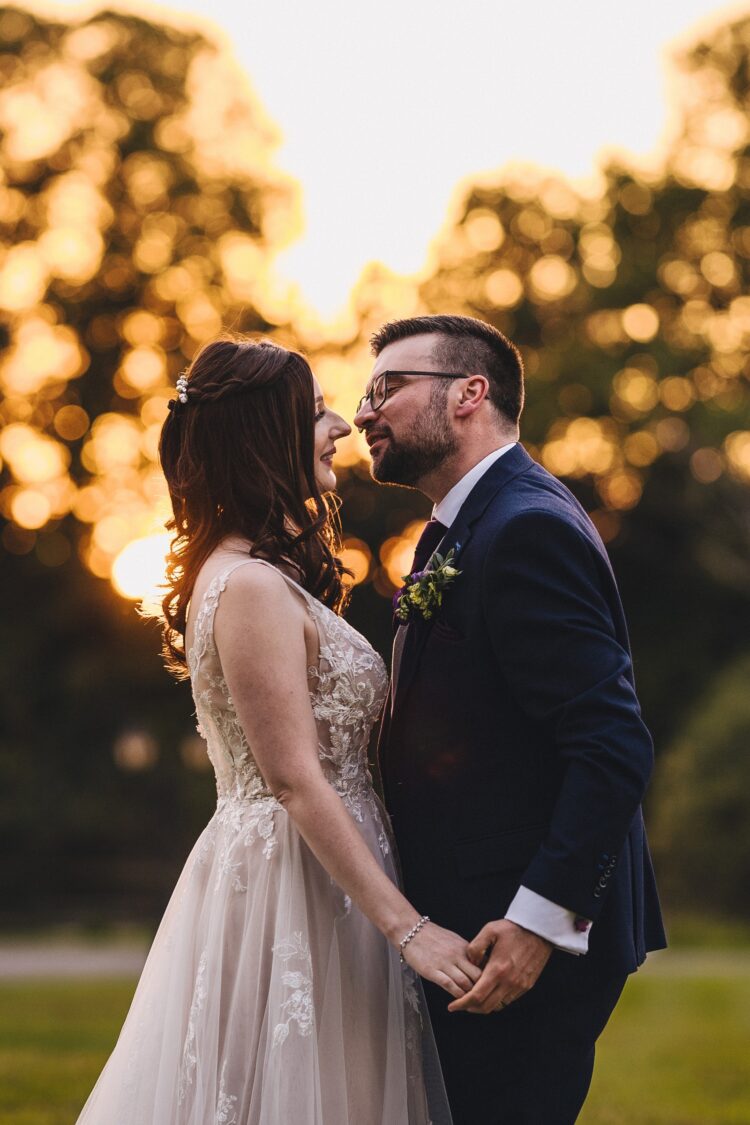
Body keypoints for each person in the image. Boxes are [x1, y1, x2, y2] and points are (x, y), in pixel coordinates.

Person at [75, 336, 473, 1125]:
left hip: (331, 874)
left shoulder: (259, 575)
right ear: (265, 433)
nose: (338, 425)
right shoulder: (249, 587)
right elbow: (293, 777)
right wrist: (410, 929)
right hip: (294, 887)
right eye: (316, 410)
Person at [354, 314, 667, 1125]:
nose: (364, 412)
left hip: (513, 943)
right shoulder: (462, 526)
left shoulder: (524, 527)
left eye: (388, 386)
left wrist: (539, 924)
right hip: (470, 925)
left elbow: (612, 743)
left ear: (470, 393)